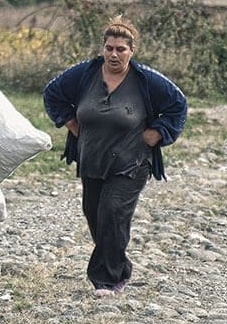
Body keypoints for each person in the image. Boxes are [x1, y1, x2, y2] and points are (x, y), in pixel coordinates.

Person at [43, 15, 187, 297]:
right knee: (95, 215)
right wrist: (71, 123)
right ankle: (119, 265)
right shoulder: (86, 74)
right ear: (103, 48)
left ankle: (106, 281)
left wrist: (157, 133)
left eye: (121, 49)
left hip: (131, 161)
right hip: (92, 159)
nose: (114, 54)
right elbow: (53, 93)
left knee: (112, 212)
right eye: (109, 48)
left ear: (132, 51)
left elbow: (178, 106)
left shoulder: (146, 80)